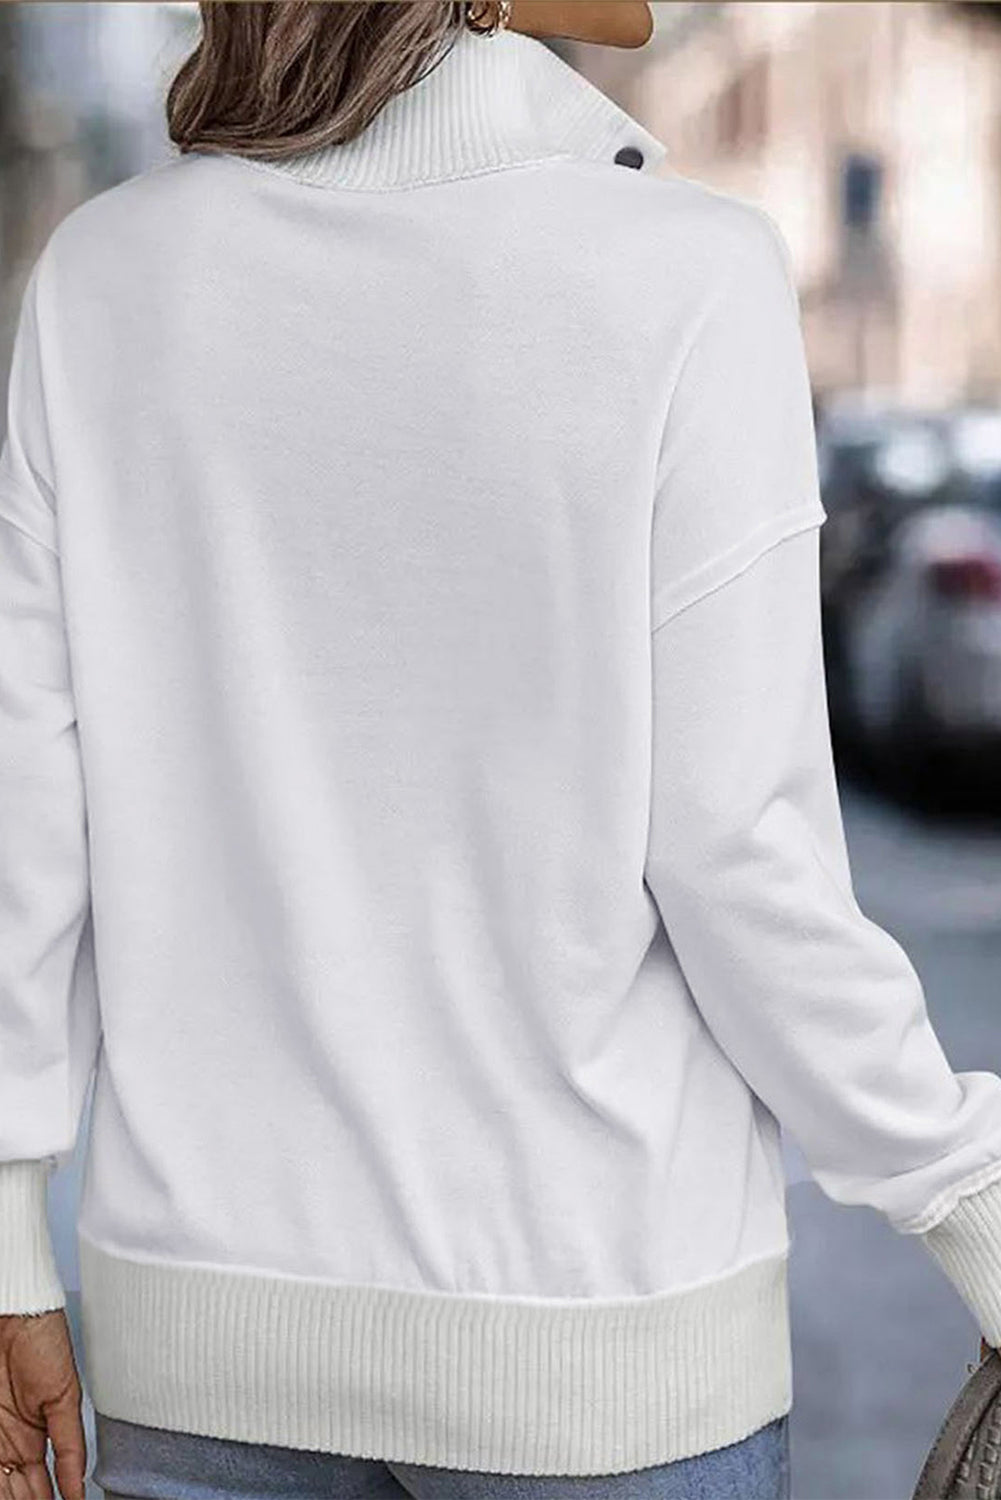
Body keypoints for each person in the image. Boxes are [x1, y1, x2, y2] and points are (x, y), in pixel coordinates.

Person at [1, 1, 1000, 1496]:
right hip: (603, 1356)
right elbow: (739, 862)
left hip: (199, 1345)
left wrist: (12, 1246)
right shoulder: (685, 275)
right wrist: (968, 1193)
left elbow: (25, 817)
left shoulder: (104, 280)